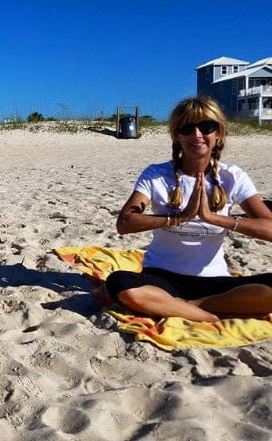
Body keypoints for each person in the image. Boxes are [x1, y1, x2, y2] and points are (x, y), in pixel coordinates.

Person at [106, 97, 272, 322]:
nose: (197, 135)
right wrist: (179, 217)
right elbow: (124, 223)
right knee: (120, 283)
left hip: (215, 281)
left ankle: (194, 307)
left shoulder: (232, 176)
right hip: (162, 278)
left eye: (206, 127)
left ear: (219, 133)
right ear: (177, 135)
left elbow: (269, 228)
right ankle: (210, 314)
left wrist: (214, 218)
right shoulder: (156, 174)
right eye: (187, 128)